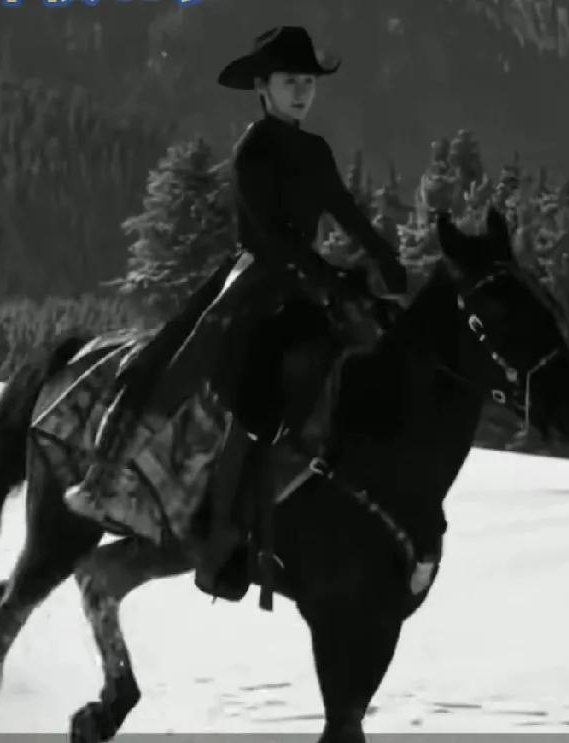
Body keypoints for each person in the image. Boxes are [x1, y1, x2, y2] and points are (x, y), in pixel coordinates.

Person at [64, 25, 408, 598]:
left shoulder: (316, 151)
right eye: (290, 81)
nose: (301, 92)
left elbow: (344, 209)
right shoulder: (254, 149)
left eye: (307, 82)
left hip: (306, 283)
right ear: (263, 87)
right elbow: (273, 236)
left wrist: (382, 255)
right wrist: (326, 279)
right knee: (191, 360)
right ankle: (134, 482)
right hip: (256, 279)